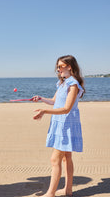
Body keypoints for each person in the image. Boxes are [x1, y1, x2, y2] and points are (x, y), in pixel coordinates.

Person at [32, 55, 85, 197]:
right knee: (65, 157)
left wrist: (44, 111)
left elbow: (67, 108)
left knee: (54, 159)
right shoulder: (62, 83)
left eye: (61, 66)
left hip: (66, 124)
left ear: (70, 67)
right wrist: (41, 99)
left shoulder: (73, 84)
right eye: (57, 67)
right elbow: (54, 101)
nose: (58, 69)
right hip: (60, 123)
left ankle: (50, 193)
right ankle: (68, 190)